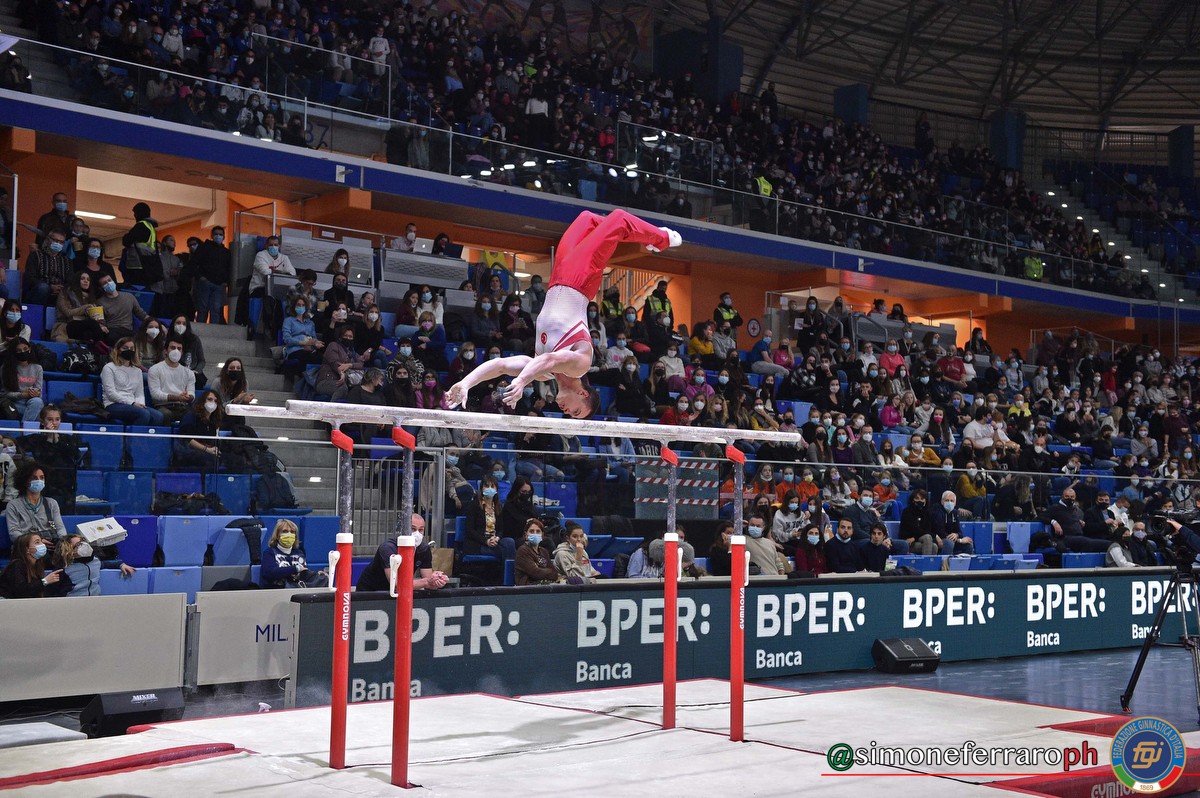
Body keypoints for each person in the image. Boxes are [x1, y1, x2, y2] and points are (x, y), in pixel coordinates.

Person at [448, 210, 680, 418]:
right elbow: (551, 359)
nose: (567, 412)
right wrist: (521, 381)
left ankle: (634, 234)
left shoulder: (542, 374)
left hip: (558, 277)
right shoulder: (580, 365)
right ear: (582, 393)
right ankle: (661, 238)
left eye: (571, 415)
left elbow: (500, 365)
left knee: (586, 219)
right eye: (576, 410)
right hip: (581, 279)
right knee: (618, 219)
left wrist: (466, 383)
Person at [355, 513, 449, 592]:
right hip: (370, 592)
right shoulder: (387, 548)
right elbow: (396, 584)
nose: (417, 534)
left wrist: (437, 581)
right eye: (413, 529)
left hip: (398, 594)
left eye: (421, 530)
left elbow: (429, 582)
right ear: (402, 529)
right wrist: (427, 582)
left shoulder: (424, 549)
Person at [45, 533, 135, 596]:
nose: (84, 544)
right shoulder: (63, 569)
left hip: (95, 602)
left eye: (83, 541)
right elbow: (51, 592)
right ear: (69, 551)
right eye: (78, 544)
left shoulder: (95, 561)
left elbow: (107, 564)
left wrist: (121, 564)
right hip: (73, 605)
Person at [101, 338, 164, 425]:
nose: (129, 350)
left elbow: (139, 394)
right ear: (118, 350)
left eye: (131, 348)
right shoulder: (109, 368)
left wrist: (140, 404)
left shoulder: (137, 371)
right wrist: (132, 403)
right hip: (113, 404)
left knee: (158, 416)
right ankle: (133, 434)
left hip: (133, 405)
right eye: (125, 348)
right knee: (143, 414)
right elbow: (111, 394)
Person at [5, 462, 65, 544]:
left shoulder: (51, 503)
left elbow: (60, 528)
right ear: (25, 481)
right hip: (27, 546)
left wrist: (62, 542)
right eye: (34, 478)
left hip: (50, 544)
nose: (39, 481)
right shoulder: (13, 505)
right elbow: (14, 534)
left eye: (42, 478)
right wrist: (37, 541)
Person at [463, 474, 516, 565]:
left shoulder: (498, 507)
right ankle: (507, 573)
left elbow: (501, 529)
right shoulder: (474, 505)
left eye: (492, 486)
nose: (490, 489)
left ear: (496, 490)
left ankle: (508, 572)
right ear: (481, 488)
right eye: (487, 486)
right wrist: (486, 541)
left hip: (494, 541)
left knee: (510, 542)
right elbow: (470, 530)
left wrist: (497, 538)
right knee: (507, 551)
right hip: (478, 543)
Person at [260, 519, 328, 587]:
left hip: (297, 589)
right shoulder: (269, 552)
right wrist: (296, 569)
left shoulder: (299, 553)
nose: (289, 534)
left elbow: (303, 575)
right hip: (277, 590)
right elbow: (270, 573)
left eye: (292, 532)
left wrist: (316, 575)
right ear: (277, 535)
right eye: (285, 531)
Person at [174, 391, 225, 471]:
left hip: (207, 450)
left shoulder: (213, 420)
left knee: (233, 459)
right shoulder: (191, 416)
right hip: (189, 451)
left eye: (215, 401)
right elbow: (187, 439)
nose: (213, 403)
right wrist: (206, 449)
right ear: (203, 401)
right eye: (210, 399)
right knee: (211, 460)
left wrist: (213, 449)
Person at [147, 338, 195, 422]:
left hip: (182, 406)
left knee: (195, 416)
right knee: (165, 414)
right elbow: (155, 394)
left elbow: (191, 393)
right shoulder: (155, 369)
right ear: (165, 351)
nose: (176, 351)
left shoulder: (189, 373)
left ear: (182, 352)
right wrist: (178, 397)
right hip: (162, 406)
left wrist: (188, 397)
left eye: (179, 349)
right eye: (173, 348)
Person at [0, 532, 60, 598]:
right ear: (27, 549)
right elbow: (21, 592)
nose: (42, 545)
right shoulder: (17, 565)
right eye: (37, 542)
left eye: (41, 542)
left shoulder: (38, 565)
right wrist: (45, 581)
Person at [192, 226, 231, 323]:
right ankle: (201, 329)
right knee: (203, 309)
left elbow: (228, 267)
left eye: (220, 234)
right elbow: (193, 263)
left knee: (216, 309)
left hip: (218, 284)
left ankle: (214, 330)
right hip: (205, 283)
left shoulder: (226, 252)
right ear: (211, 236)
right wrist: (200, 277)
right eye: (216, 234)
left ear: (224, 236)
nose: (218, 236)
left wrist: (225, 281)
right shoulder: (204, 247)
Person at [96, 273, 149, 343]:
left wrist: (156, 323)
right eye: (105, 283)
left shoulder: (129, 296)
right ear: (101, 287)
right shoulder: (99, 302)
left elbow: (141, 314)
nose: (108, 283)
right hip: (112, 331)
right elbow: (101, 323)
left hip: (128, 332)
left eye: (109, 280)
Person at [23, 229, 71, 305]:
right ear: (48, 239)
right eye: (55, 240)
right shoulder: (36, 256)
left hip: (61, 292)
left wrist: (62, 288)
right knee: (43, 288)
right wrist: (50, 287)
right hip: (39, 291)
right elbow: (29, 278)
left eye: (61, 242)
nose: (58, 244)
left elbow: (70, 279)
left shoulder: (66, 260)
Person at [2, 340, 43, 422]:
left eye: (25, 349)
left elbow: (39, 392)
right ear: (14, 352)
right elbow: (4, 394)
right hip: (13, 403)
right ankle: (26, 428)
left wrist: (35, 393)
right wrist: (22, 395)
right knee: (37, 415)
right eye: (19, 350)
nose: (23, 352)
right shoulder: (5, 368)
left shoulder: (38, 368)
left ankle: (23, 427)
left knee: (37, 402)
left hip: (31, 402)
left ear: (29, 349)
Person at [514, 517, 559, 586]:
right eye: (531, 531)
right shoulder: (523, 550)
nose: (535, 534)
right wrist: (547, 571)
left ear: (542, 535)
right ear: (526, 535)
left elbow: (554, 574)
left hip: (544, 585)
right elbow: (535, 573)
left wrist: (540, 570)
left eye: (538, 531)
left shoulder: (544, 551)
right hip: (527, 588)